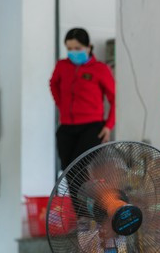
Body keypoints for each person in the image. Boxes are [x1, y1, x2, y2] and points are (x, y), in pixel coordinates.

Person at [49, 28, 115, 169]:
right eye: (69, 49)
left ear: (88, 47)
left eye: (77, 48)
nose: (73, 52)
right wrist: (62, 105)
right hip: (66, 126)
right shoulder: (62, 66)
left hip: (92, 127)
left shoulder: (100, 69)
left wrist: (109, 125)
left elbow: (115, 98)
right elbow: (53, 84)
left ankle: (87, 191)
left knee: (77, 167)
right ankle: (80, 192)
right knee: (68, 170)